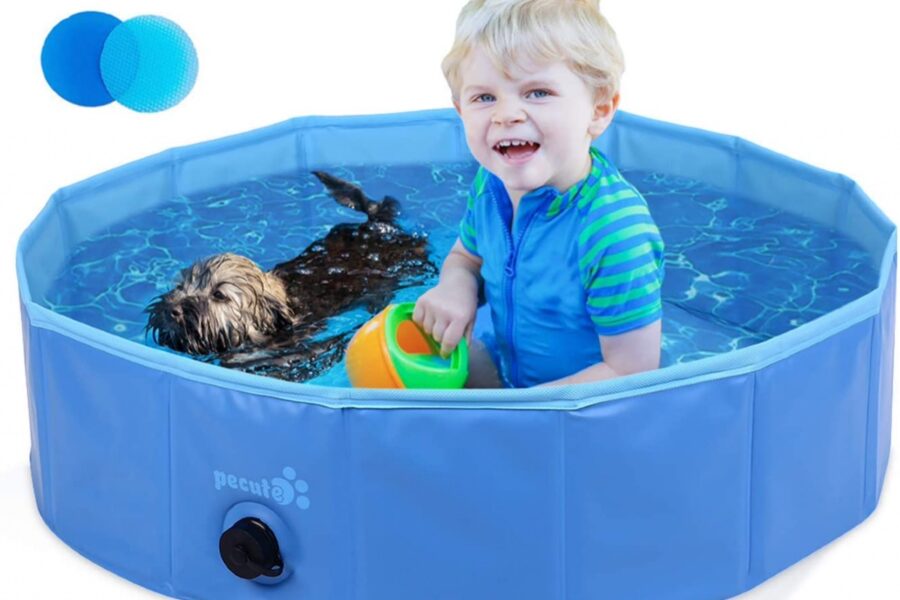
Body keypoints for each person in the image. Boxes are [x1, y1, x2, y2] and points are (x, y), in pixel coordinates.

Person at [413, 0, 665, 387]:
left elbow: (631, 374)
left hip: (581, 416)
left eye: (537, 92)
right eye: (484, 97)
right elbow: (466, 256)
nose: (505, 114)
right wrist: (456, 288)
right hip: (512, 383)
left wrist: (516, 417)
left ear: (599, 110)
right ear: (460, 110)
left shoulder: (614, 232)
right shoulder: (490, 185)